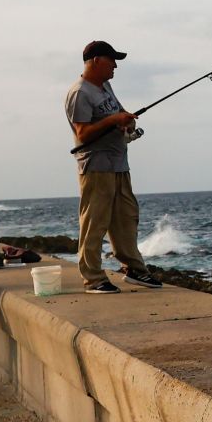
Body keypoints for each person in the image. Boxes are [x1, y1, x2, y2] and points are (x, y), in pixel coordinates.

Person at [65, 40, 161, 294]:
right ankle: (93, 278)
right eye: (112, 60)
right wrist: (112, 120)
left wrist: (125, 120)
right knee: (95, 221)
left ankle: (134, 270)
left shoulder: (105, 86)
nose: (115, 66)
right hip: (96, 167)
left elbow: (117, 112)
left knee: (126, 218)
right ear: (96, 61)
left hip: (119, 164)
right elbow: (82, 133)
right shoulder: (79, 93)